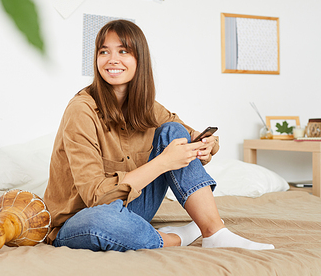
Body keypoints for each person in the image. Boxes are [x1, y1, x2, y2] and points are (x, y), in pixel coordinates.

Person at [43, 20, 274, 252]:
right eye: (104, 52)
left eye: (123, 51)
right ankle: (172, 238)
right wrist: (164, 162)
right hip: (82, 220)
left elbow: (187, 133)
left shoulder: (147, 107)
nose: (112, 59)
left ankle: (214, 232)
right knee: (102, 220)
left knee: (174, 133)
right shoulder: (81, 110)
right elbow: (96, 197)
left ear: (139, 60)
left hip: (135, 207)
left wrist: (206, 143)